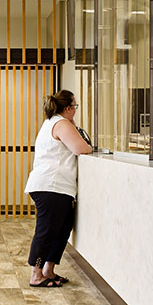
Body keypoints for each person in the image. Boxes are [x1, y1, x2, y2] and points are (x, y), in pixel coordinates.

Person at [24, 89, 92, 287]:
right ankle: (36, 275)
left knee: (62, 228)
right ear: (69, 108)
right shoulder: (60, 124)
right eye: (75, 107)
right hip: (50, 186)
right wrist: (74, 128)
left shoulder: (54, 123)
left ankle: (49, 270)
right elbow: (82, 148)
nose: (76, 111)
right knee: (46, 230)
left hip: (57, 187)